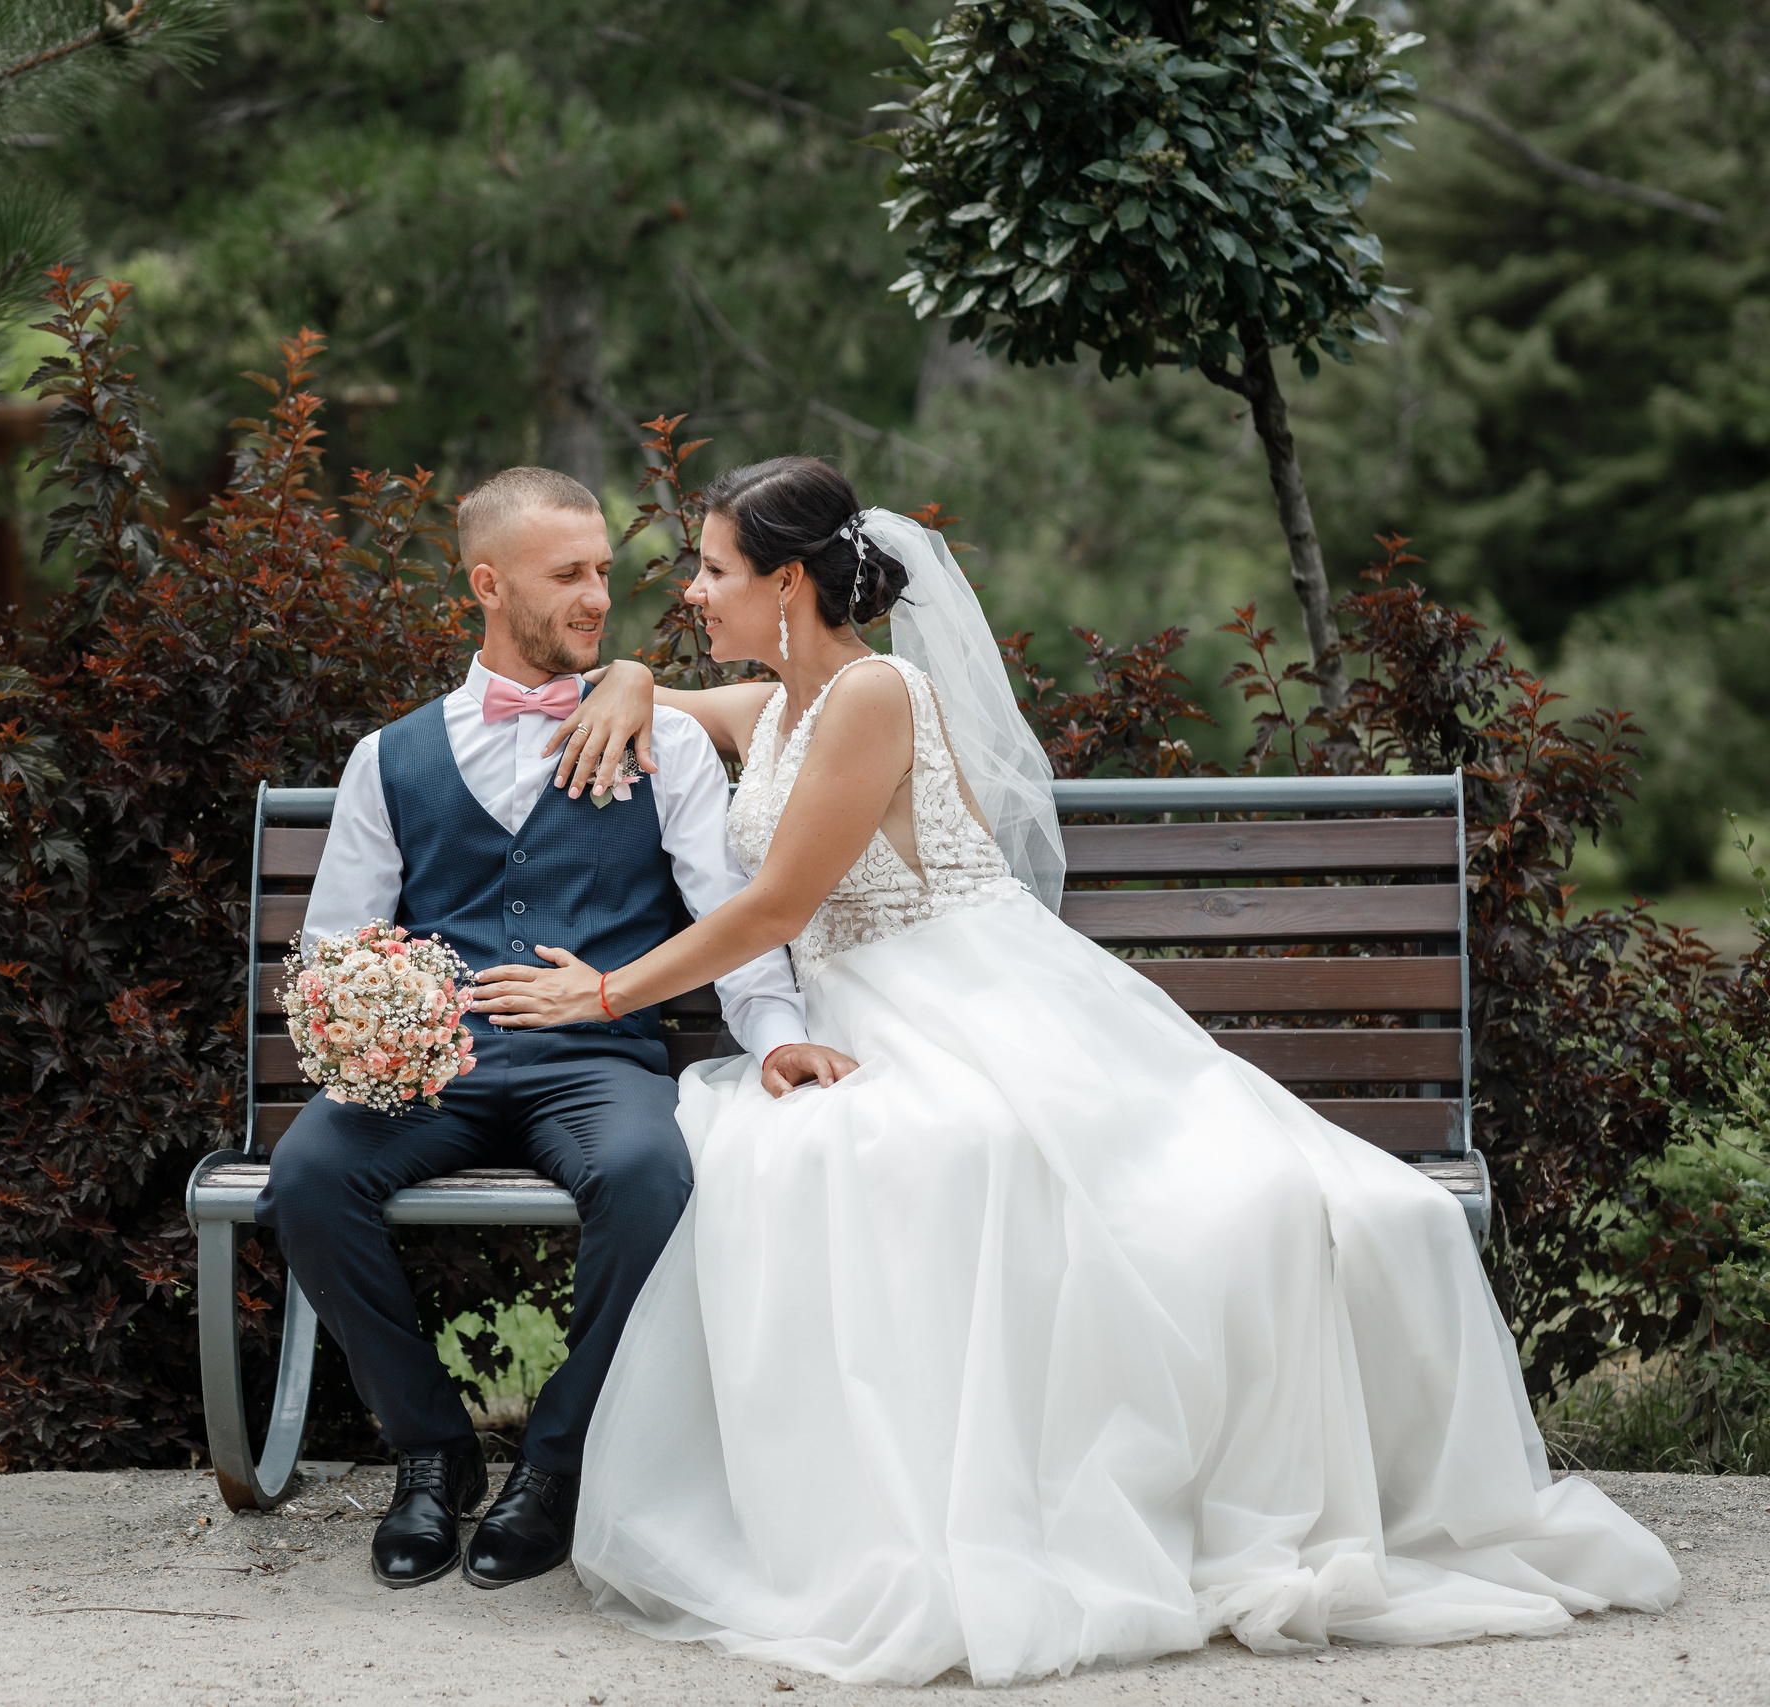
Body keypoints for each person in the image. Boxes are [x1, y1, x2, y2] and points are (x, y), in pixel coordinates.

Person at [473, 458, 1681, 1686]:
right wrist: (624, 676)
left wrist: (606, 990)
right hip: (867, 1011)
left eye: (715, 569)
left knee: (1016, 1174)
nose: (689, 590)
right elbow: (672, 704)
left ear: (788, 581)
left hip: (964, 995)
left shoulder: (873, 694)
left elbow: (780, 901)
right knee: (827, 1160)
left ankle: (1040, 1496)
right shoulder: (778, 703)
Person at [265, 466, 847, 1594]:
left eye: (602, 574)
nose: (598, 597)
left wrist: (773, 1035)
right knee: (303, 1179)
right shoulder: (389, 758)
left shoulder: (663, 745)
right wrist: (375, 1031)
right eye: (567, 576)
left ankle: (556, 1464)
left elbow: (734, 915)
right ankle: (430, 1455)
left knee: (648, 1177)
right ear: (488, 584)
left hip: (596, 1061)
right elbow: (339, 949)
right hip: (435, 1068)